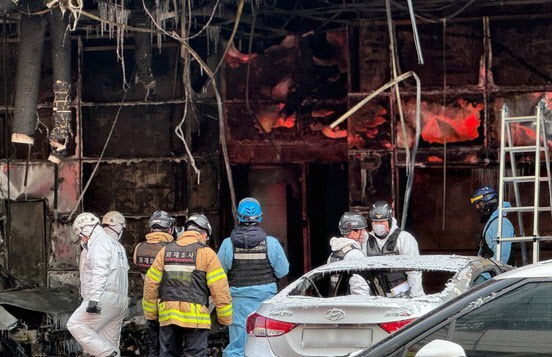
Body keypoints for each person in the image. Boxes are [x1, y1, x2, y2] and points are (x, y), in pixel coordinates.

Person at [143, 213, 232, 357]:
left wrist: (152, 314)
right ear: (204, 235)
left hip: (168, 315)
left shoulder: (165, 251)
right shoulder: (207, 254)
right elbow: (219, 289)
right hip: (195, 318)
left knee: (169, 353)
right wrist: (224, 319)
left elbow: (150, 283)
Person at [217, 197, 290, 357]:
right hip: (265, 303)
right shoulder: (271, 244)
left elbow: (219, 273)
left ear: (238, 217)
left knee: (237, 346)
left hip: (238, 303)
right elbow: (282, 271)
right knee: (264, 344)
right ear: (260, 217)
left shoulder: (227, 244)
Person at [67, 212, 130, 357]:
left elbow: (100, 270)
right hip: (120, 301)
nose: (81, 239)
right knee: (108, 342)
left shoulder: (99, 243)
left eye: (80, 235)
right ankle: (111, 352)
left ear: (84, 228)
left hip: (103, 298)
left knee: (75, 324)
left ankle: (108, 354)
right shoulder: (118, 246)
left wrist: (93, 299)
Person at [133, 210, 175, 357]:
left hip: (149, 304)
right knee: (169, 347)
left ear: (151, 229)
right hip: (168, 303)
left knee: (155, 345)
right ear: (170, 229)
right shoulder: (171, 249)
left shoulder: (139, 248)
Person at [364, 200, 424, 297]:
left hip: (402, 297)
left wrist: (415, 297)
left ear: (390, 221)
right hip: (377, 298)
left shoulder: (403, 238)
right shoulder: (366, 241)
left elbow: (414, 272)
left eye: (382, 221)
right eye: (375, 221)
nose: (378, 225)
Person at [327, 212, 371, 295]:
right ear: (353, 232)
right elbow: (359, 287)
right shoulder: (355, 254)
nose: (365, 233)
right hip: (351, 305)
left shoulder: (334, 253)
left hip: (338, 302)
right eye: (362, 230)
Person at [471, 186, 513, 263]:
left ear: (488, 203)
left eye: (478, 204)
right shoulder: (494, 222)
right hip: (487, 272)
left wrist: (484, 265)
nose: (477, 207)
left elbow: (501, 260)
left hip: (494, 274)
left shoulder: (501, 223)